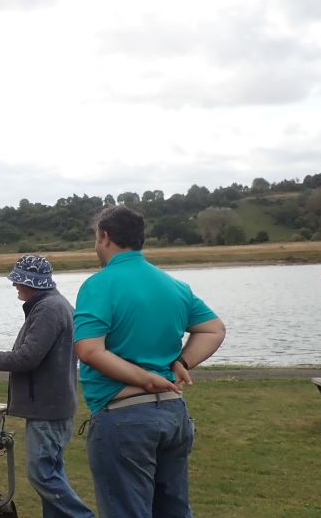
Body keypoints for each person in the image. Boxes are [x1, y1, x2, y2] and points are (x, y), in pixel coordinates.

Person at [74, 206, 226, 517]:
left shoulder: (99, 284)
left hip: (124, 417)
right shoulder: (174, 285)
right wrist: (182, 361)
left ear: (104, 237)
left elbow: (89, 350)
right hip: (173, 414)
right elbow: (214, 329)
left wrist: (143, 378)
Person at [0, 254, 94, 518]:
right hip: (53, 406)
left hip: (47, 409)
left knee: (42, 474)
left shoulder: (48, 309)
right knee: (51, 472)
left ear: (33, 283)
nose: (15, 286)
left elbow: (27, 357)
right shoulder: (53, 305)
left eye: (19, 281)